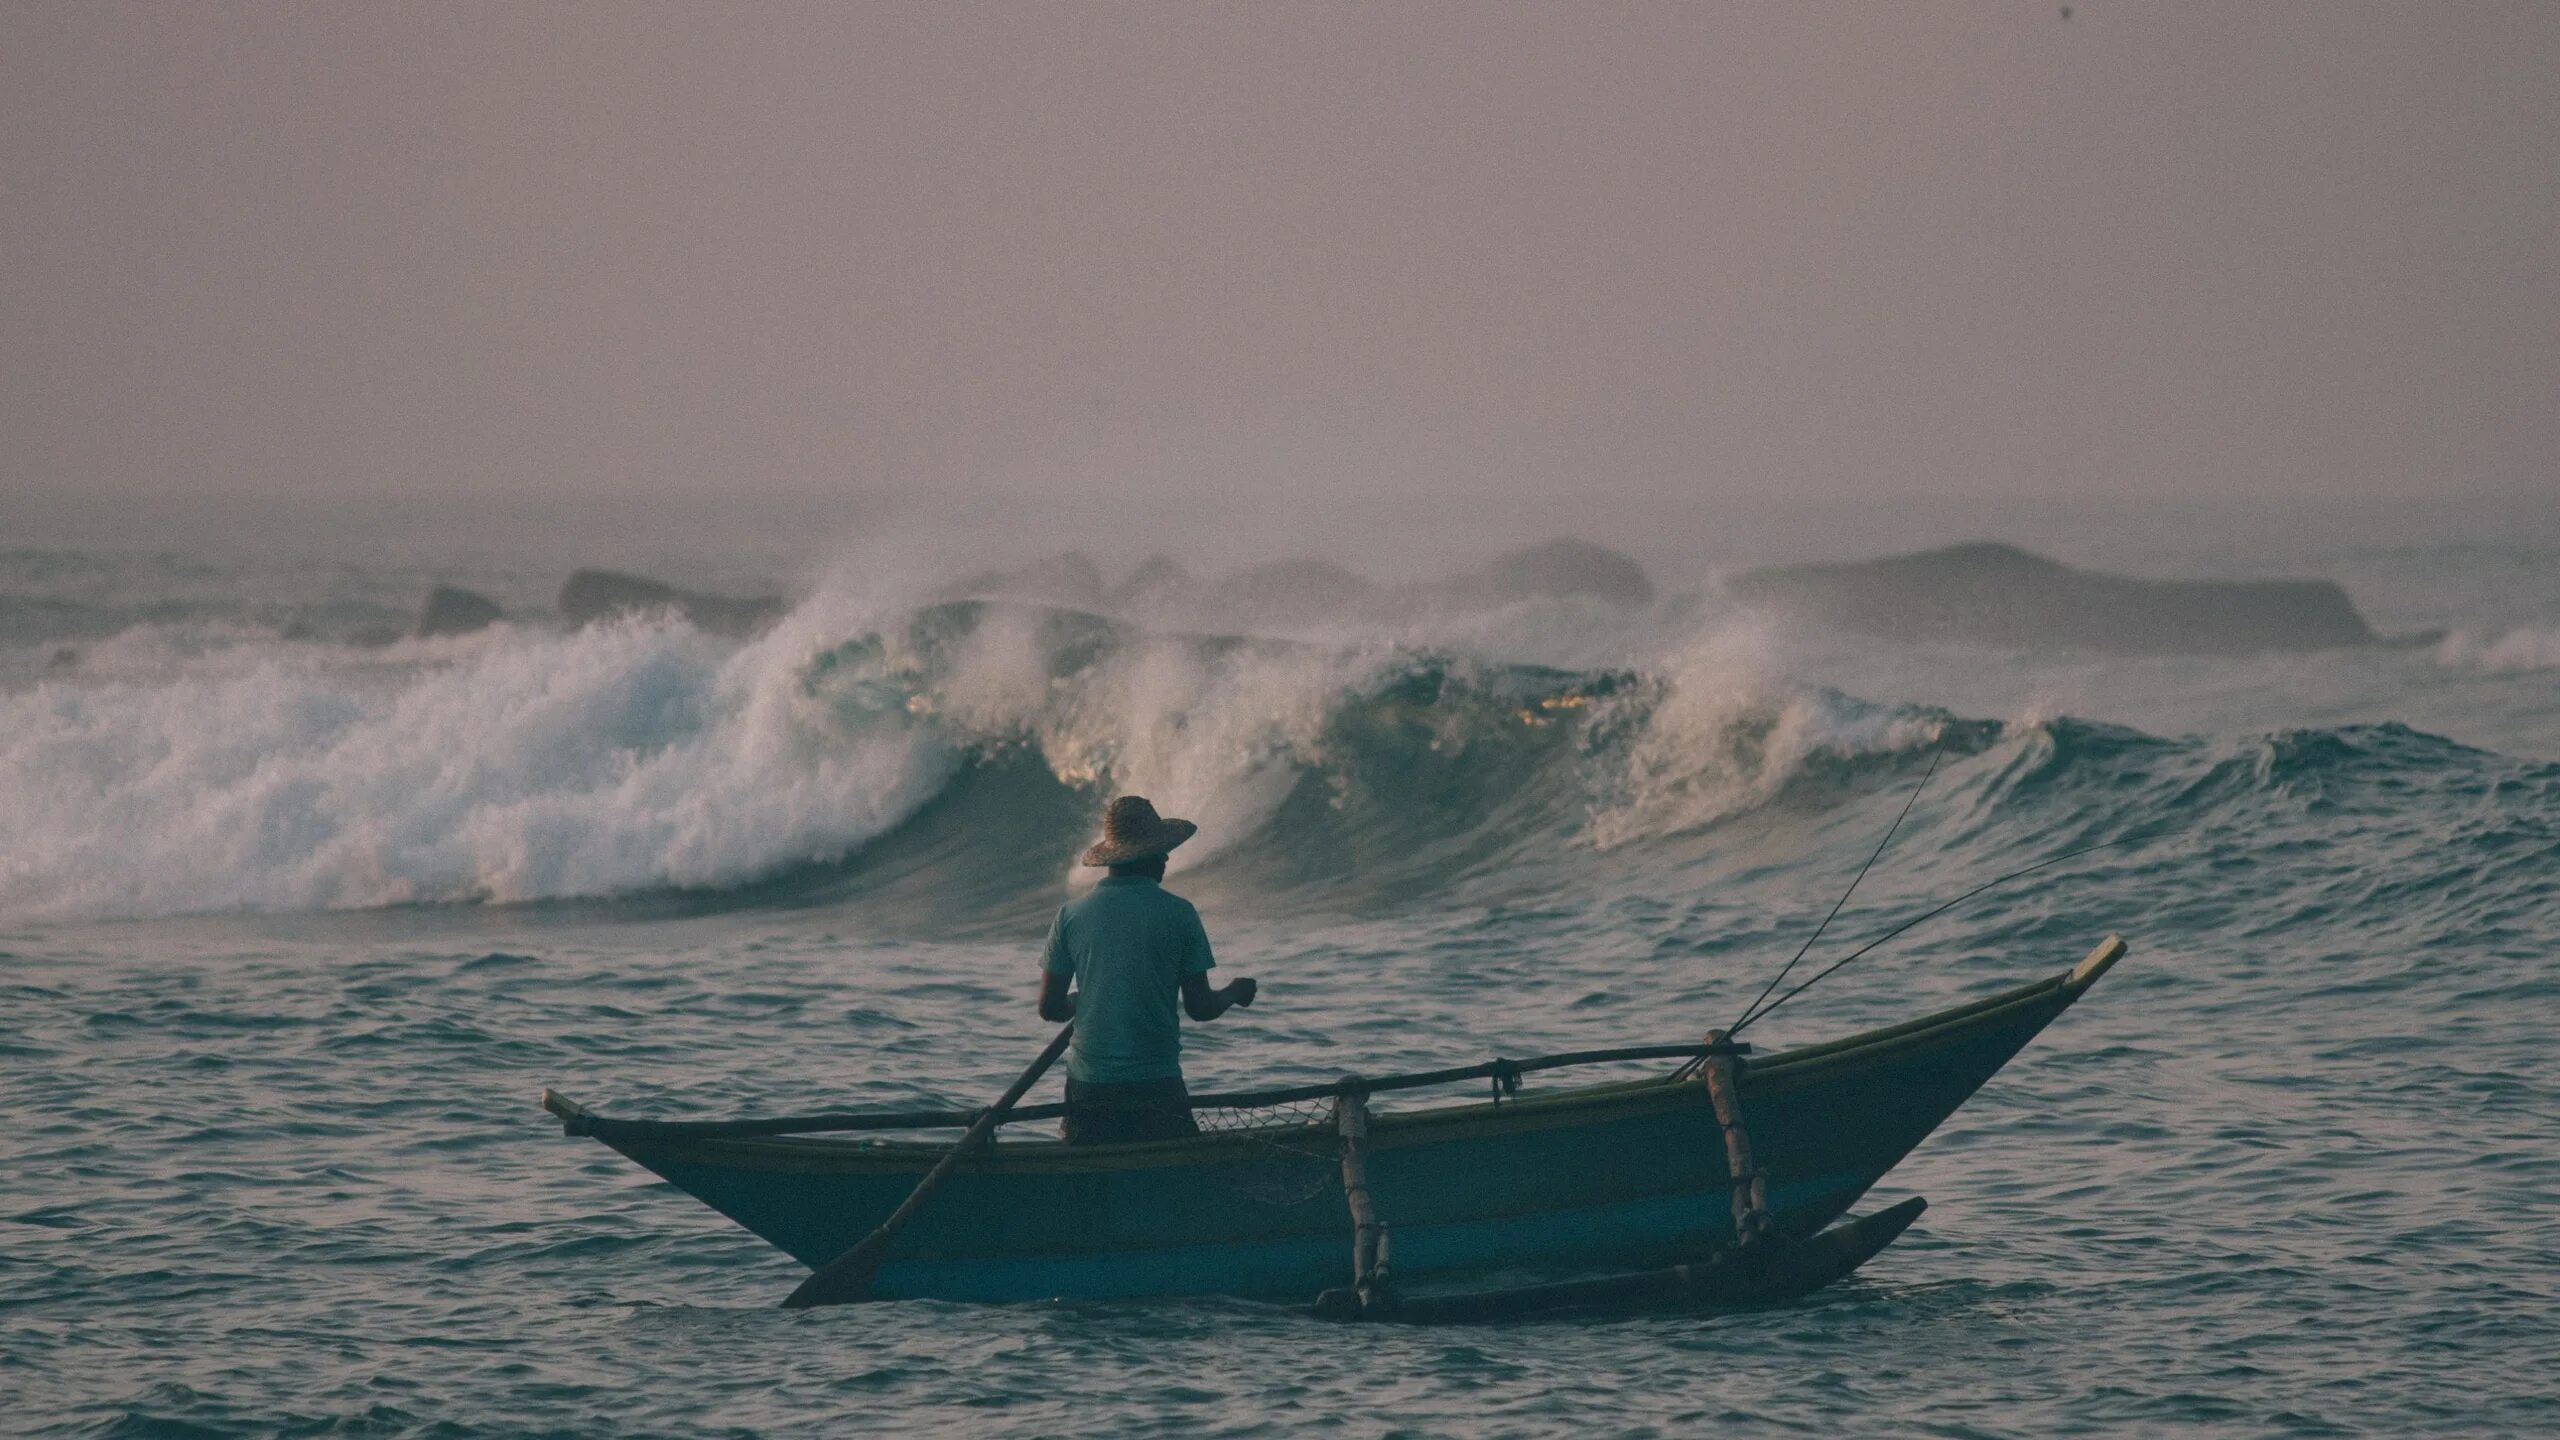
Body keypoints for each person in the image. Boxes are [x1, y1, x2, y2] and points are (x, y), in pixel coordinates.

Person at [1038, 795, 1256, 1143]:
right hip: (1156, 1084)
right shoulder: (1179, 913)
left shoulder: (1070, 915)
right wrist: (1235, 992)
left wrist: (1085, 1001)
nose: (1167, 858)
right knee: (1175, 1174)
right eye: (1163, 850)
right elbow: (1200, 1008)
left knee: (1091, 1180)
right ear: (1152, 855)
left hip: (1088, 1086)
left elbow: (1049, 1008)